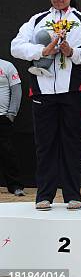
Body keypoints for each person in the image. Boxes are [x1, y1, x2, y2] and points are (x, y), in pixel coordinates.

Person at [11, 0, 81, 210]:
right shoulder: (37, 21)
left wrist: (72, 52)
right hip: (43, 91)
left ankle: (73, 194)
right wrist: (43, 50)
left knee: (72, 142)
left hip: (73, 90)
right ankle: (45, 195)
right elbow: (16, 47)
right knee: (45, 144)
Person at [0, 58, 25, 196]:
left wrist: (11, 113)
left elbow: (16, 90)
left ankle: (15, 186)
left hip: (3, 117)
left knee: (7, 153)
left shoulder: (7, 66)